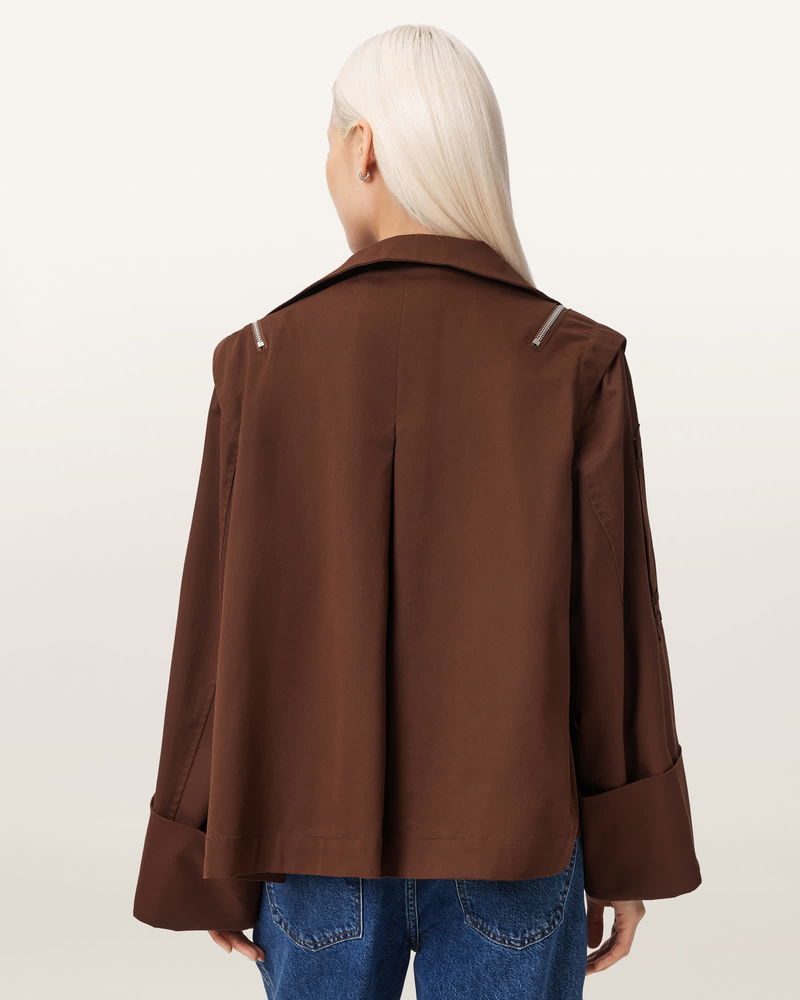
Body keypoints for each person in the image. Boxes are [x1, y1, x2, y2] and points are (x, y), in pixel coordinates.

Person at [132, 24, 702, 999]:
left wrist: (201, 849)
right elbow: (614, 636)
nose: (326, 165)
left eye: (327, 141)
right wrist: (625, 850)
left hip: (306, 844)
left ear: (363, 148)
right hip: (515, 843)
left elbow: (215, 640)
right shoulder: (571, 359)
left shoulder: (261, 359)